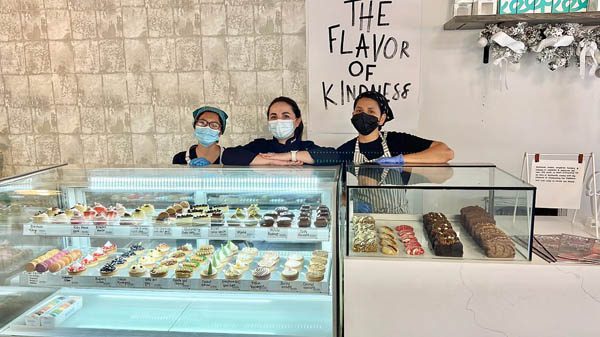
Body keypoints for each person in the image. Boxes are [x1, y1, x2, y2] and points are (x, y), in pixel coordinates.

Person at [337, 90, 454, 166]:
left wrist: (401, 160)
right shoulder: (345, 150)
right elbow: (340, 191)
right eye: (359, 111)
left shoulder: (398, 141)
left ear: (382, 118)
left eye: (371, 111)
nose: (363, 115)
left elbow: (446, 152)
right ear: (353, 115)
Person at [222, 96, 338, 166]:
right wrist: (269, 161)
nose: (279, 120)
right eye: (273, 117)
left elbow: (333, 156)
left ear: (297, 122)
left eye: (286, 116)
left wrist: (288, 156)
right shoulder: (260, 146)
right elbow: (228, 155)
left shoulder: (306, 147)